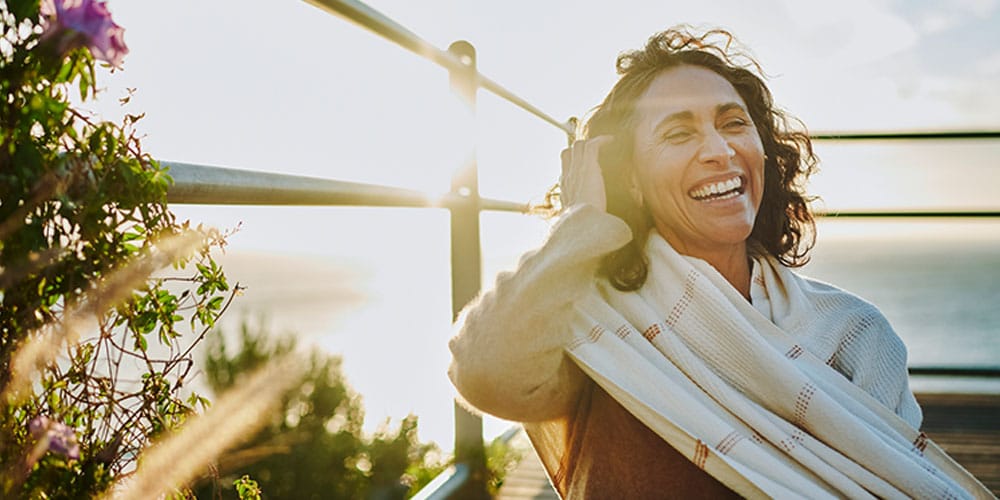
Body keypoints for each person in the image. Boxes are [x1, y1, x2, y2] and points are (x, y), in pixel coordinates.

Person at [448, 27, 988, 499]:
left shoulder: (855, 333)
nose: (719, 151)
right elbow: (486, 373)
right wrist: (582, 221)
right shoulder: (595, 322)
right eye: (679, 133)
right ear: (629, 178)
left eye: (733, 123)